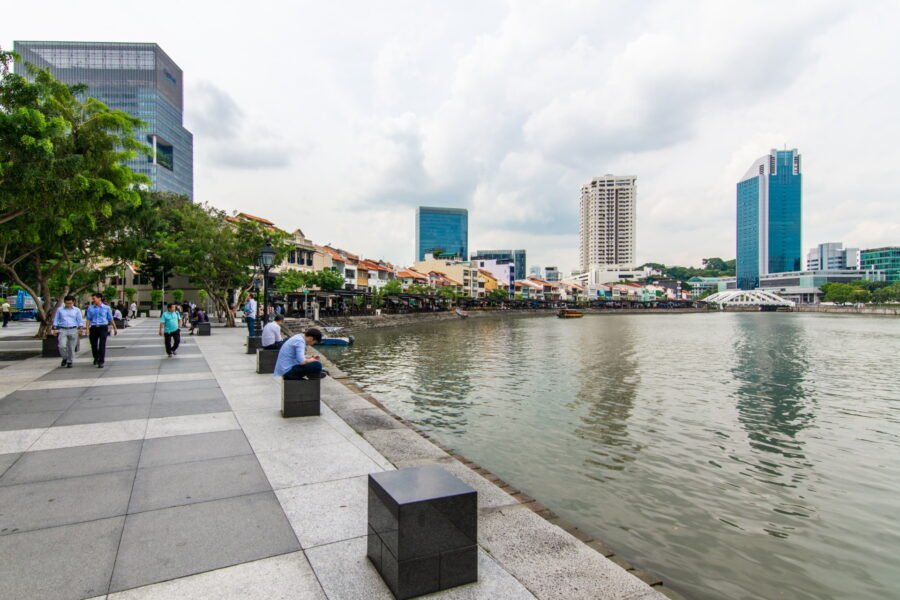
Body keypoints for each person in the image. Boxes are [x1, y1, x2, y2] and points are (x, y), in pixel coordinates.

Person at [85, 293, 117, 368]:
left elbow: (110, 318)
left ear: (99, 298)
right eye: (92, 299)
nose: (93, 300)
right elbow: (88, 319)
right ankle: (96, 357)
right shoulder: (90, 308)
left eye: (94, 298)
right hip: (93, 328)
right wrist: (87, 329)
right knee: (93, 345)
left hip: (103, 327)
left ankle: (101, 361)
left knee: (102, 345)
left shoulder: (106, 308)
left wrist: (115, 328)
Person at [51, 295, 84, 368]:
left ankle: (70, 361)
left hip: (73, 329)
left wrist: (81, 328)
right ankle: (65, 358)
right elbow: (56, 319)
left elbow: (80, 320)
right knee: (61, 345)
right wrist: (55, 328)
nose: (69, 305)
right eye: (67, 303)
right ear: (64, 302)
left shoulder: (77, 310)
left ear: (73, 302)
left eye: (70, 303)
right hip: (63, 329)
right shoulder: (60, 310)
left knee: (71, 347)